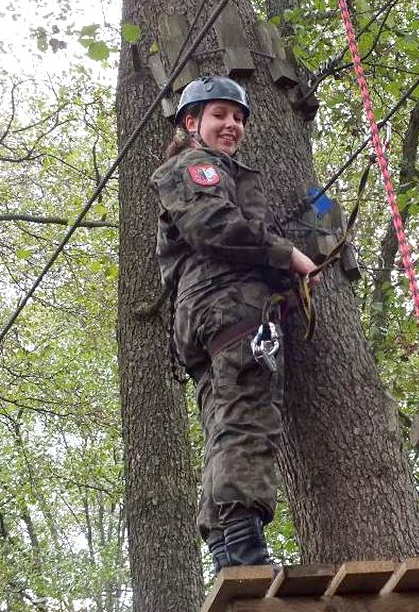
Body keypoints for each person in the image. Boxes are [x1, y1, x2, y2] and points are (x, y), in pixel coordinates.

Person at [149, 76, 318, 573]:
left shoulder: (225, 172)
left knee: (224, 422)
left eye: (238, 118)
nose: (232, 126)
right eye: (219, 115)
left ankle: (227, 550)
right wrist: (287, 256)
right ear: (191, 122)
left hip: (209, 314)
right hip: (228, 306)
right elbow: (214, 227)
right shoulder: (193, 166)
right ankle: (243, 548)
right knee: (247, 416)